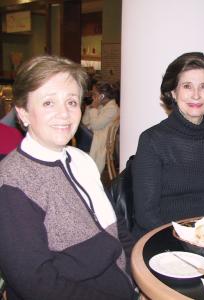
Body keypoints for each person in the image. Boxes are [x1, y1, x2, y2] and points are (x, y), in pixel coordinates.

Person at [0, 55, 136, 300]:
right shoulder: (12, 182)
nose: (64, 114)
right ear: (23, 113)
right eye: (48, 103)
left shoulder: (81, 160)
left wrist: (139, 278)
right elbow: (36, 284)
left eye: (71, 102)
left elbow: (117, 229)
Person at [131, 52, 204, 242]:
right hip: (160, 236)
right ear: (173, 92)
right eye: (187, 86)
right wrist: (186, 240)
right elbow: (146, 215)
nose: (196, 95)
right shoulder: (152, 140)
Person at [82, 81, 119, 173]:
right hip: (93, 135)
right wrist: (89, 107)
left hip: (100, 139)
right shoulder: (102, 106)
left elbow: (95, 125)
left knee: (77, 130)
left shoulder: (112, 109)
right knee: (79, 127)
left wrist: (94, 108)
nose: (93, 96)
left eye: (95, 94)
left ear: (102, 95)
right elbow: (85, 121)